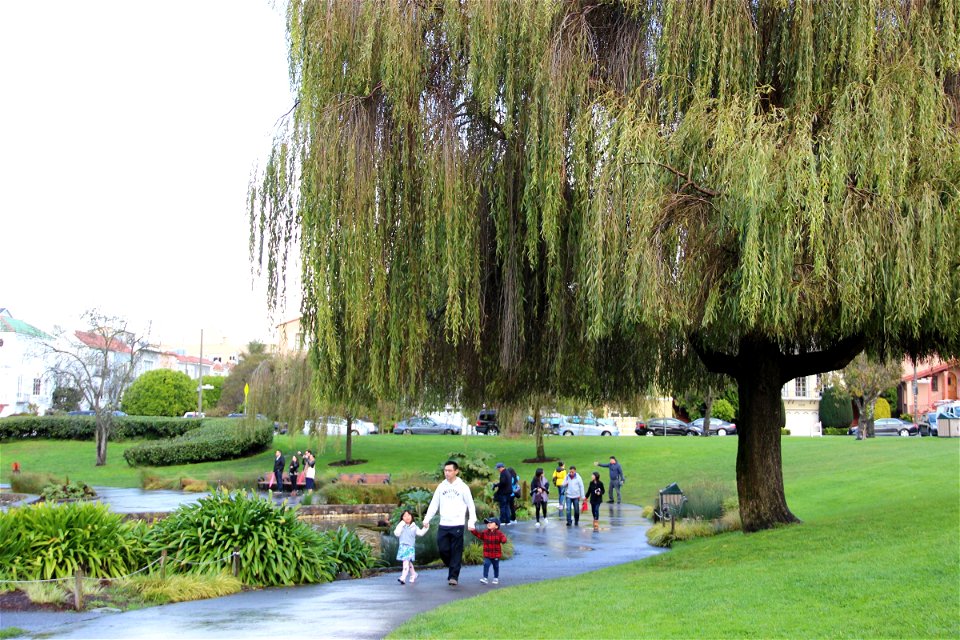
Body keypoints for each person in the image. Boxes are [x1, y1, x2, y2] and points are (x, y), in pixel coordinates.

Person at [423, 460, 478, 586]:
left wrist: (471, 521)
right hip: (444, 523)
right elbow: (434, 504)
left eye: (449, 471)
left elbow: (471, 505)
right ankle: (452, 565)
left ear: (456, 471)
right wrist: (427, 519)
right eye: (445, 470)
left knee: (456, 550)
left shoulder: (463, 487)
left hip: (457, 523)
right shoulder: (441, 487)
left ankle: (453, 576)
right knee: (443, 549)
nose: (447, 473)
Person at [394, 509, 429, 584]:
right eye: (405, 516)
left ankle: (403, 577)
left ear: (411, 516)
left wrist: (426, 527)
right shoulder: (401, 526)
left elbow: (421, 533)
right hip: (402, 547)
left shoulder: (414, 526)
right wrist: (401, 524)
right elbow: (397, 533)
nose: (407, 517)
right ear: (402, 518)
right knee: (408, 562)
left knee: (405, 562)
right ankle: (413, 574)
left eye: (408, 515)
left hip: (410, 548)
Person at [470, 516, 507, 585]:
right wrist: (473, 530)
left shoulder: (499, 533)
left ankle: (496, 578)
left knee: (496, 566)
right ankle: (485, 578)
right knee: (486, 564)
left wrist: (503, 540)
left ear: (496, 526)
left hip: (496, 554)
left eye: (490, 523)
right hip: (487, 554)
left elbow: (503, 538)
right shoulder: (485, 532)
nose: (488, 524)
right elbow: (479, 535)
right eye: (487, 523)